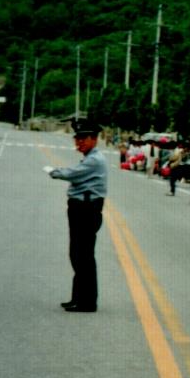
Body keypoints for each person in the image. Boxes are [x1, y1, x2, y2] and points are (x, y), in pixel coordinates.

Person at [46, 121, 108, 313]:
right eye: (77, 138)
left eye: (83, 138)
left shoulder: (94, 160)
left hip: (86, 209)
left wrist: (54, 172)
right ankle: (79, 298)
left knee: (83, 256)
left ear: (94, 139)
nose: (78, 142)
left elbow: (74, 174)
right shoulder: (90, 157)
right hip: (82, 208)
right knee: (78, 254)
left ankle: (87, 302)